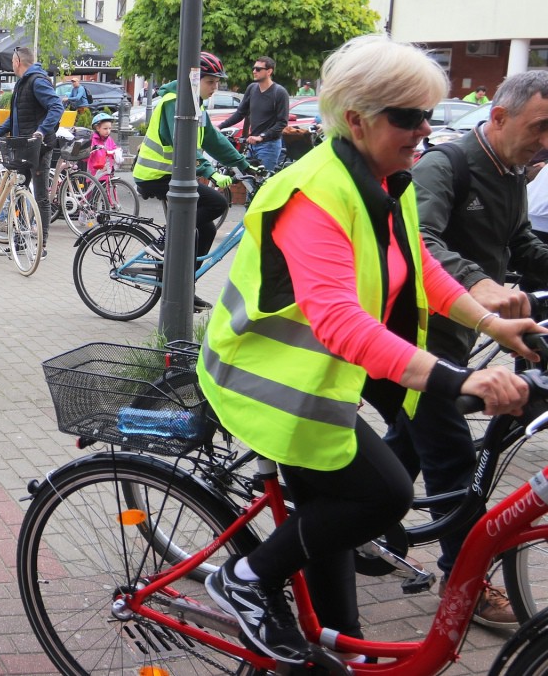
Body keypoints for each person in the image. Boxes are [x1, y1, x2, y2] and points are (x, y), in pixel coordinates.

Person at [196, 34, 539, 664]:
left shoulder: (386, 180)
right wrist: (455, 380)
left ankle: (332, 652)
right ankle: (242, 581)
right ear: (355, 118)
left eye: (429, 116)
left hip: (318, 377)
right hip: (265, 379)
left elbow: (421, 270)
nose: (423, 131)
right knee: (382, 492)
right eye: (407, 117)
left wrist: (491, 323)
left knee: (333, 565)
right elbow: (341, 324)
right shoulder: (314, 193)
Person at [385, 69, 548, 626]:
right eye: (541, 127)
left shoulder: (514, 171)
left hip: (459, 333)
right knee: (453, 457)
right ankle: (464, 580)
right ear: (499, 117)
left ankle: (368, 531)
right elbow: (418, 241)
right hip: (414, 342)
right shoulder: (445, 165)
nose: (547, 142)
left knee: (408, 447)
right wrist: (479, 284)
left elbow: (518, 244)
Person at [132, 52, 255, 283]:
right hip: (155, 176)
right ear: (194, 79)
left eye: (218, 82)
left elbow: (213, 140)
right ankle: (164, 242)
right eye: (210, 82)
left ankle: (186, 287)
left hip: (174, 174)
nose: (215, 87)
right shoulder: (174, 103)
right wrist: (210, 172)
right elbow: (183, 145)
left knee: (206, 230)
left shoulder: (195, 106)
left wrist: (244, 164)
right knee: (217, 203)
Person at [0, 46, 66, 252]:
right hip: (23, 145)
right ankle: (20, 242)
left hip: (39, 147)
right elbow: (15, 116)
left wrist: (42, 130)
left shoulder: (37, 80)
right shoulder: (23, 83)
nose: (11, 65)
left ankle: (41, 246)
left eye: (12, 62)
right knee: (20, 190)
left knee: (41, 196)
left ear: (17, 61)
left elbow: (57, 107)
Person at [217, 56, 290, 172]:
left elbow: (282, 122)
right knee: (248, 181)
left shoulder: (279, 92)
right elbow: (240, 113)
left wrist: (261, 137)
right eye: (254, 68)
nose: (254, 71)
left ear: (269, 71)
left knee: (262, 183)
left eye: (258, 69)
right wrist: (220, 126)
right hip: (252, 145)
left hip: (269, 146)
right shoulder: (252, 88)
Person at [86, 112, 118, 177]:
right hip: (95, 173)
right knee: (96, 186)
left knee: (109, 185)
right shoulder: (93, 140)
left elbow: (114, 148)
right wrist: (91, 149)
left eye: (110, 128)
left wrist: (117, 152)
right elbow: (86, 155)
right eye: (105, 128)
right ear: (98, 128)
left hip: (108, 170)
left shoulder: (109, 139)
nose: (108, 131)